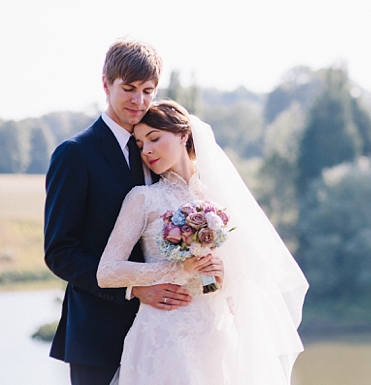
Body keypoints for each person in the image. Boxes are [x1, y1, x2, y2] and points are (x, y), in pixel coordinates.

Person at [97, 100, 308, 385]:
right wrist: (178, 270)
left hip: (216, 336)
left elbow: (243, 282)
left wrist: (221, 275)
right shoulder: (143, 199)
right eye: (139, 143)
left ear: (183, 135)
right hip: (163, 336)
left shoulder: (218, 198)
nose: (146, 150)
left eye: (154, 138)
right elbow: (107, 272)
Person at [44, 40, 193, 385]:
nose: (138, 101)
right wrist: (133, 289)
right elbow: (60, 253)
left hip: (164, 334)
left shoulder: (156, 152)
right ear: (105, 84)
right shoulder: (75, 154)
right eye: (128, 89)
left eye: (147, 91)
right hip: (97, 335)